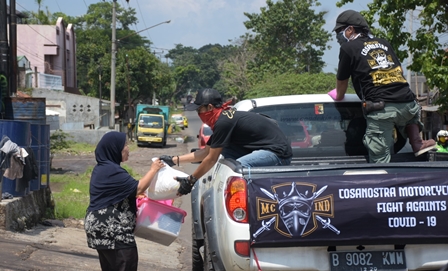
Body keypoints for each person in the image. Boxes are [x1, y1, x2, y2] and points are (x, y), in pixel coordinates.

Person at [329, 9, 436, 163]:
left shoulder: (348, 48)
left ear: (350, 29)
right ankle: (417, 143)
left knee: (380, 162)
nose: (338, 36)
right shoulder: (383, 43)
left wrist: (338, 96)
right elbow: (400, 71)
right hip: (408, 104)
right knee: (410, 115)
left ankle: (384, 184)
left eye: (339, 31)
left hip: (381, 109)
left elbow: (342, 81)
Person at [160, 88, 293, 196]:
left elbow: (211, 159)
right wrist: (173, 160)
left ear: (210, 107)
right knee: (225, 158)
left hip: (278, 154)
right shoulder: (224, 120)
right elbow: (205, 152)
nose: (198, 113)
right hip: (268, 150)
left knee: (238, 168)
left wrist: (190, 180)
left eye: (199, 109)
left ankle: (246, 198)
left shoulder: (224, 122)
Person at [84, 131, 165, 271]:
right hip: (114, 232)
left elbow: (123, 192)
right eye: (125, 145)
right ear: (114, 148)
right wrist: (153, 170)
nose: (128, 148)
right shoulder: (111, 170)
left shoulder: (103, 168)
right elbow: (138, 188)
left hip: (102, 230)